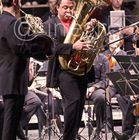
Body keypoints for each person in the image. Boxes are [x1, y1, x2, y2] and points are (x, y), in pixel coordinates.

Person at [0, 0, 53, 139]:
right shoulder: (12, 22)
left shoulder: (2, 20)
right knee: (10, 127)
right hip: (13, 80)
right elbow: (21, 48)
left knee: (12, 125)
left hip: (9, 79)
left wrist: (30, 35)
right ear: (14, 2)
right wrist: (43, 47)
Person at [43, 0, 94, 139]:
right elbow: (51, 47)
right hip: (63, 71)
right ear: (57, 7)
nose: (69, 11)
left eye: (71, 8)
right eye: (65, 7)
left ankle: (72, 135)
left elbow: (88, 42)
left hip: (81, 69)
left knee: (79, 106)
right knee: (73, 102)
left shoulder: (79, 23)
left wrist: (90, 29)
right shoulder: (49, 25)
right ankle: (67, 137)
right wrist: (72, 47)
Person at [104, 32, 135, 140]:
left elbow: (127, 71)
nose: (113, 40)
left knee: (127, 99)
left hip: (120, 83)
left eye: (116, 38)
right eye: (111, 38)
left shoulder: (123, 54)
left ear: (120, 42)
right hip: (110, 85)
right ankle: (109, 127)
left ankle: (126, 131)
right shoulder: (104, 54)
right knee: (105, 97)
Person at [86, 53, 110, 139]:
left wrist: (93, 88)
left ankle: (99, 128)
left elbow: (105, 80)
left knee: (101, 97)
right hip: (79, 86)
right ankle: (72, 131)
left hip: (95, 87)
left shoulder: (103, 59)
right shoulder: (77, 56)